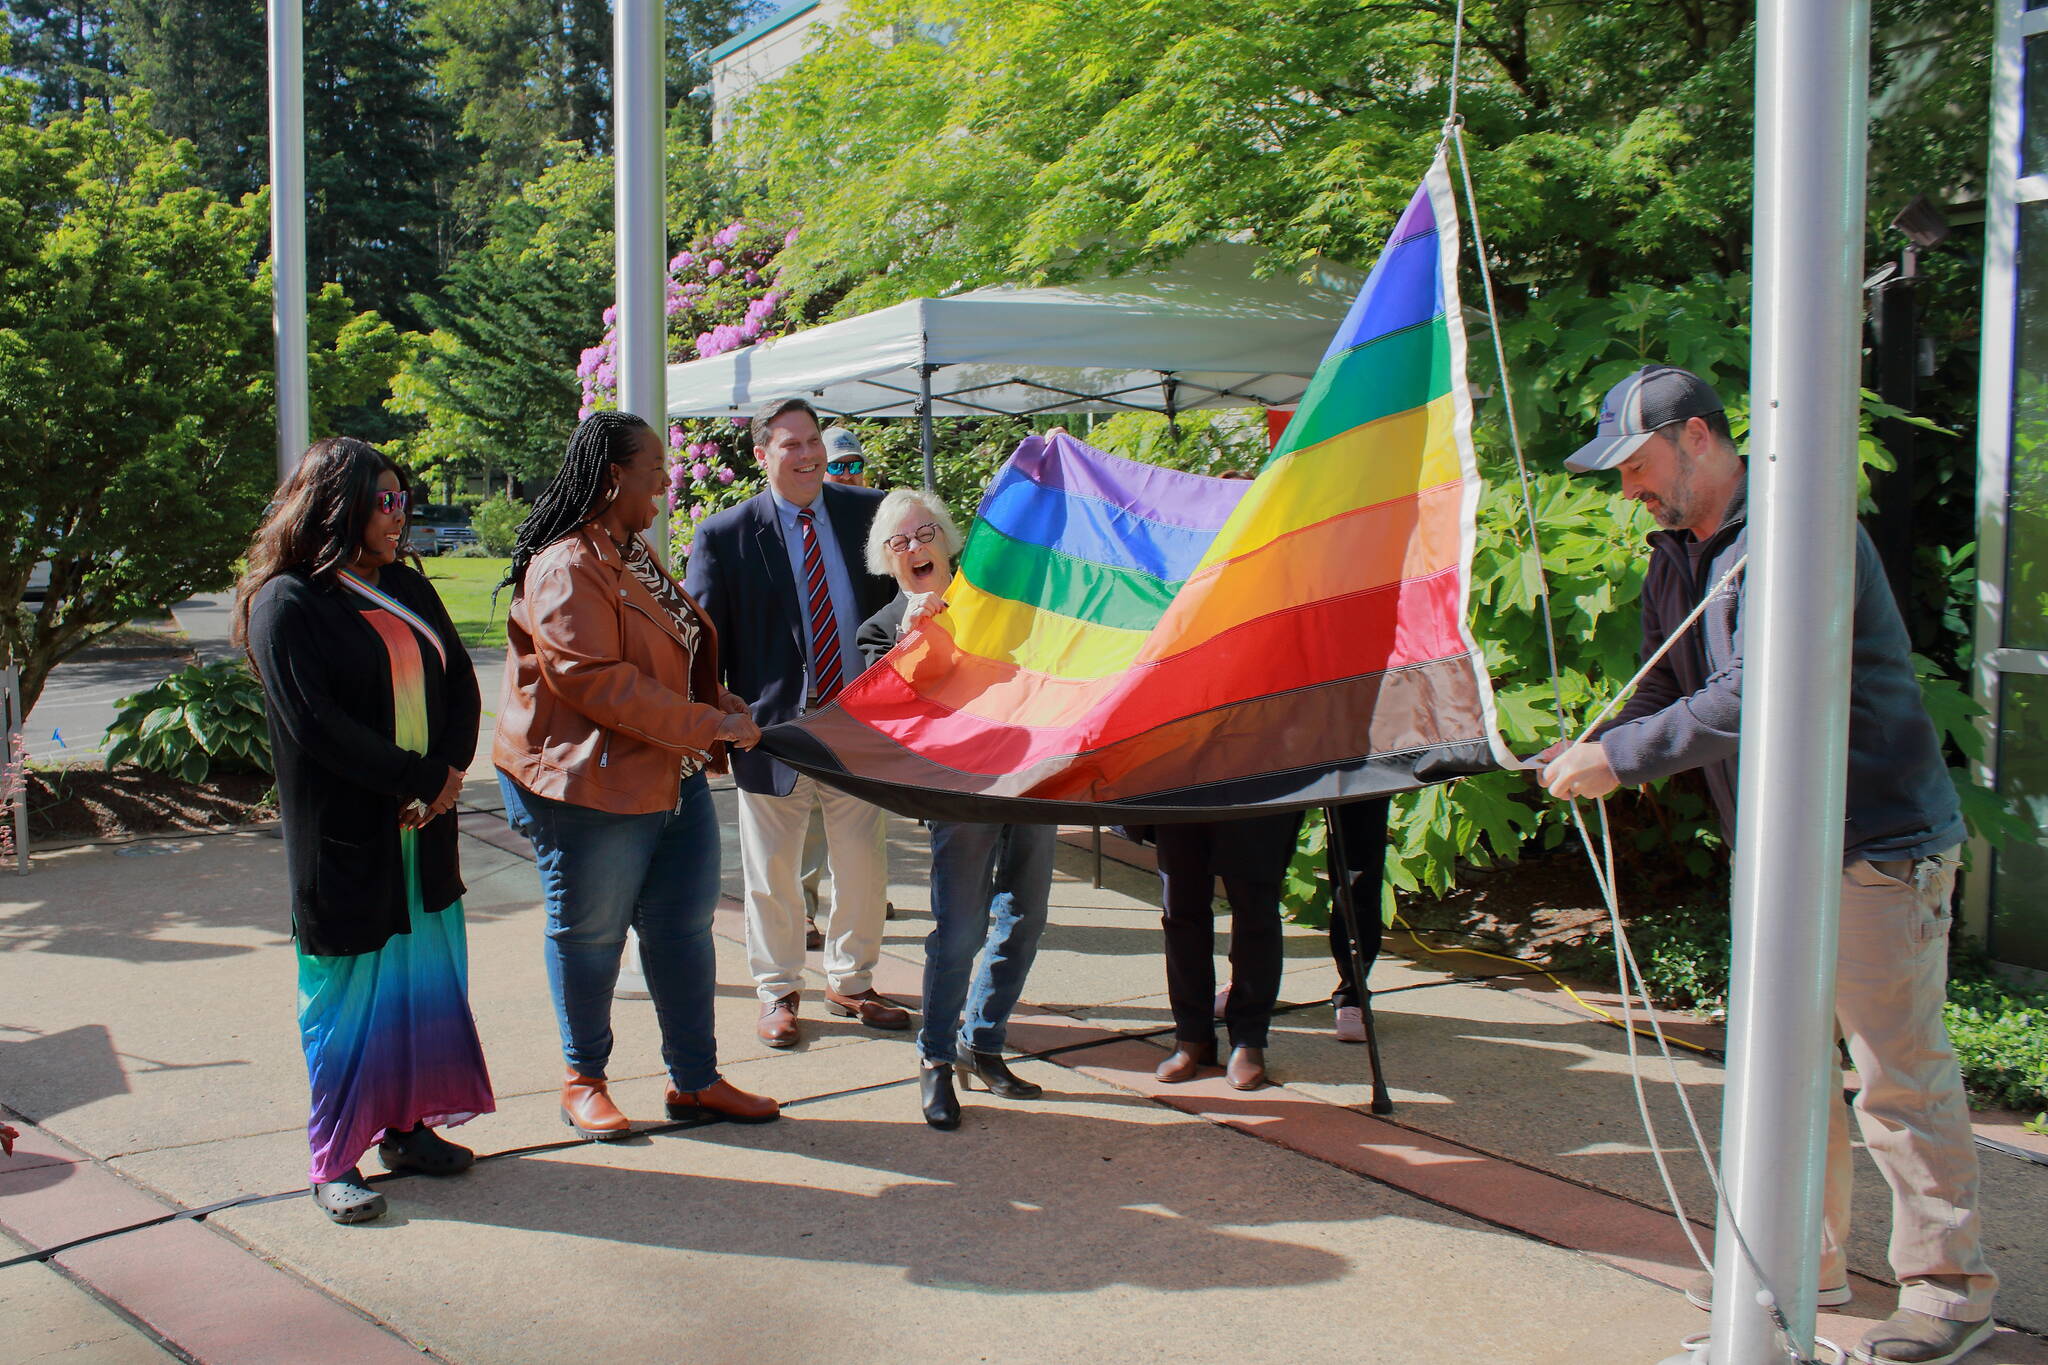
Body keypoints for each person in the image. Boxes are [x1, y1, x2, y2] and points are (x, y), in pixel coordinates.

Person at [1537, 365, 1996, 1365]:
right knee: (1783, 1069)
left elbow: (1755, 690)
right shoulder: (1685, 551)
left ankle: (1947, 1290)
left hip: (1870, 845)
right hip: (1781, 850)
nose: (1627, 491)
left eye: (1635, 466)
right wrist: (1594, 742)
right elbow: (1669, 689)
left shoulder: (1792, 539)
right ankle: (1801, 1259)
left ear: (1696, 438)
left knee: (1892, 1076)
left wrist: (1612, 759)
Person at [494, 410, 777, 1140]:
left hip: (667, 773)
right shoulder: (565, 564)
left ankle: (695, 1080)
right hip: (594, 786)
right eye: (654, 464)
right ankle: (582, 1079)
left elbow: (666, 650)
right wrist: (708, 726)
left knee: (684, 931)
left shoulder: (630, 550)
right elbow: (593, 681)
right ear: (614, 473)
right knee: (590, 936)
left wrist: (713, 697)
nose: (666, 477)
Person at [236, 437, 494, 1224]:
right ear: (336, 504)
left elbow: (460, 685)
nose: (399, 514)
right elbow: (317, 724)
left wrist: (448, 773)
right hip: (352, 837)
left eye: (402, 499)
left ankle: (408, 1130)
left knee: (419, 988)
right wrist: (417, 779)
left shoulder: (409, 585)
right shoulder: (288, 602)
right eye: (383, 501)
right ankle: (334, 1158)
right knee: (344, 1002)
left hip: (424, 832)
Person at [685, 397, 905, 1048]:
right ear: (761, 456)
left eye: (813, 441)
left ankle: (852, 980)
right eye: (792, 445)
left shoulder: (868, 515)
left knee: (862, 864)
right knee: (773, 873)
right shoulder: (724, 534)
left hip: (857, 727)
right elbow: (700, 636)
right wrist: (723, 712)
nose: (810, 455)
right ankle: (778, 990)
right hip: (770, 732)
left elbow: (904, 602)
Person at [856, 489, 1056, 1130]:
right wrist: (913, 637)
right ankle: (936, 1059)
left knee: (1024, 917)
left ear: (947, 540)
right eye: (899, 542)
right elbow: (887, 716)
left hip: (1028, 780)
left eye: (924, 534)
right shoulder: (883, 629)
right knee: (960, 930)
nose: (915, 548)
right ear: (887, 563)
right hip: (959, 794)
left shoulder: (998, 601)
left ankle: (983, 1042)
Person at [1151, 811, 1305, 1091]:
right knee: (1180, 905)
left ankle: (1249, 1037)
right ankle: (1191, 1034)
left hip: (1254, 781)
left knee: (1255, 908)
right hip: (1178, 782)